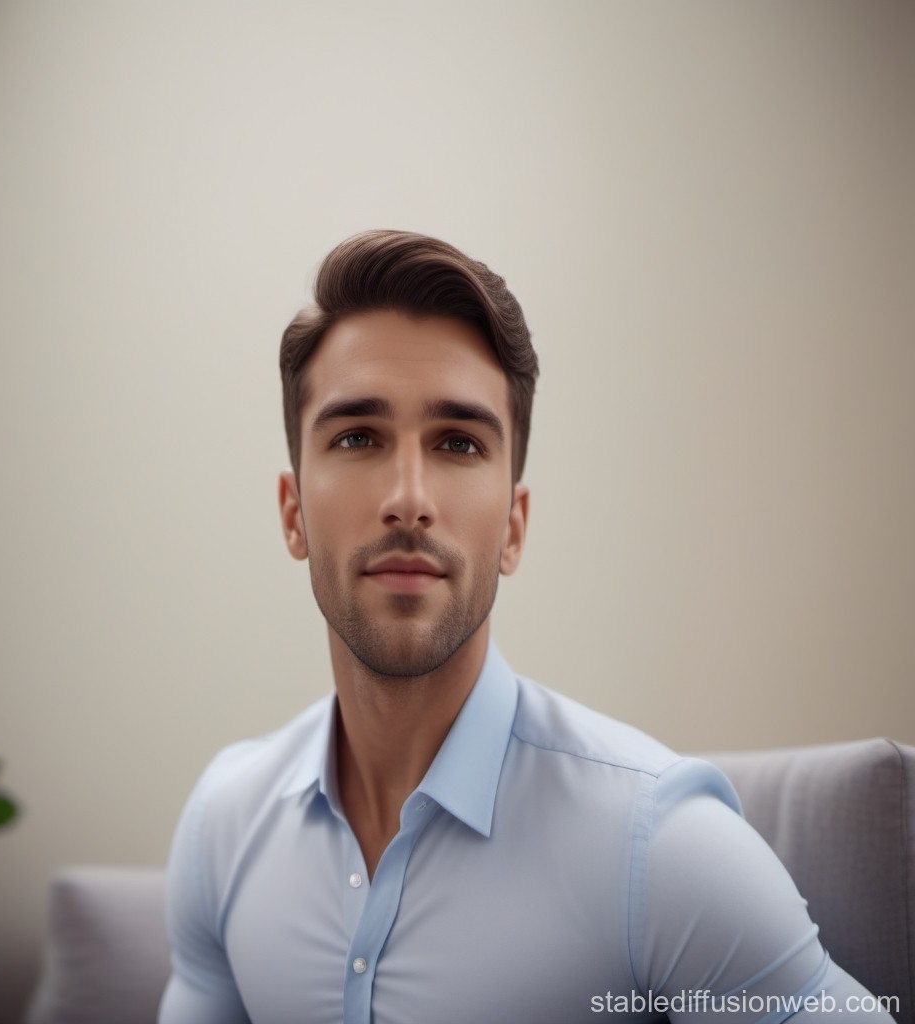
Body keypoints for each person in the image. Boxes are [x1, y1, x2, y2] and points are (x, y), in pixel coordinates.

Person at [159, 230, 893, 1023]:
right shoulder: (223, 824)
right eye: (359, 437)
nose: (408, 497)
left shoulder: (664, 848)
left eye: (459, 442)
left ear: (513, 527)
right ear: (293, 513)